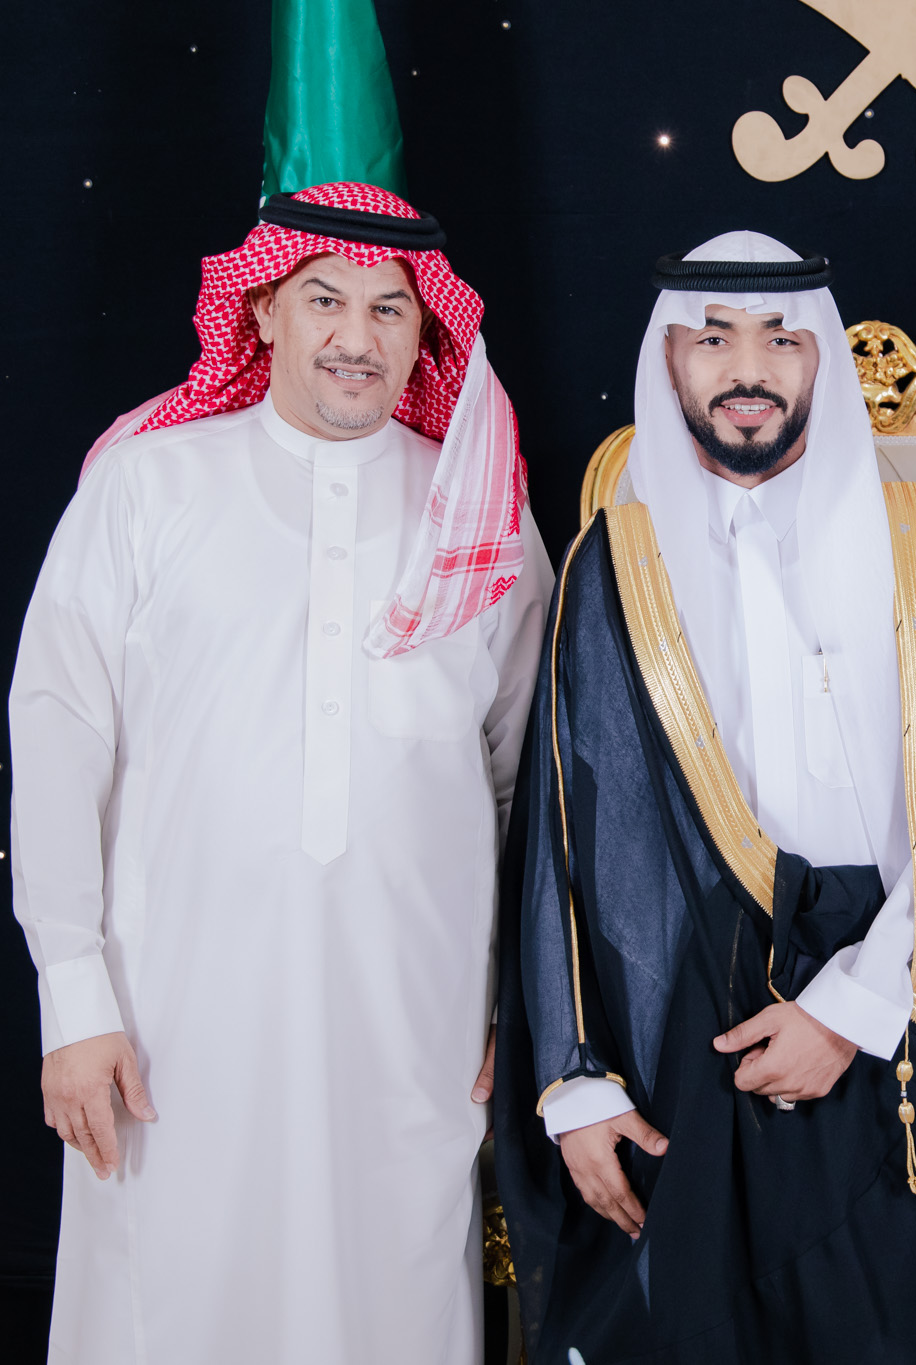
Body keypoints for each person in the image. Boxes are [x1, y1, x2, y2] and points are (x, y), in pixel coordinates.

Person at [492, 232, 916, 1365]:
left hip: (897, 1018)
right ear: (669, 361)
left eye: (781, 339)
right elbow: (565, 842)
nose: (747, 370)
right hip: (685, 1040)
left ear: (821, 360)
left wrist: (850, 1009)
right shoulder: (615, 563)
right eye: (713, 339)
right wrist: (575, 1080)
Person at [11, 182, 550, 1364]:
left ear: (425, 331)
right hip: (169, 1021)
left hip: (414, 1022)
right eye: (323, 300)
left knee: (391, 1298)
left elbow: (532, 784)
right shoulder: (148, 485)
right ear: (260, 313)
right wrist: (73, 997)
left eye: (389, 308)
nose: (357, 336)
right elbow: (57, 735)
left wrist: (525, 1006)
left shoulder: (484, 516)